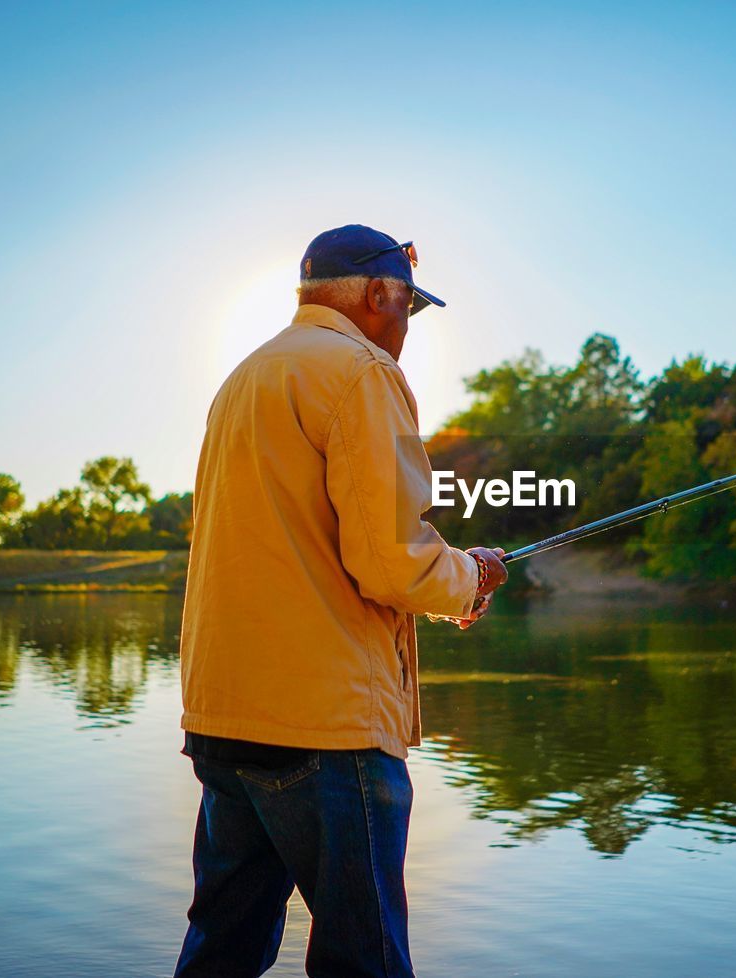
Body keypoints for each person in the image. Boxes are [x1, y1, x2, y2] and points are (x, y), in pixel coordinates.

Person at [174, 224, 507, 978]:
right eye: (408, 310)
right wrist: (471, 576)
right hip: (325, 731)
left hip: (224, 720)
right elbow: (393, 561)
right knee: (367, 961)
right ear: (379, 294)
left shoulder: (245, 378)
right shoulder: (361, 372)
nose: (406, 330)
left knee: (220, 953)